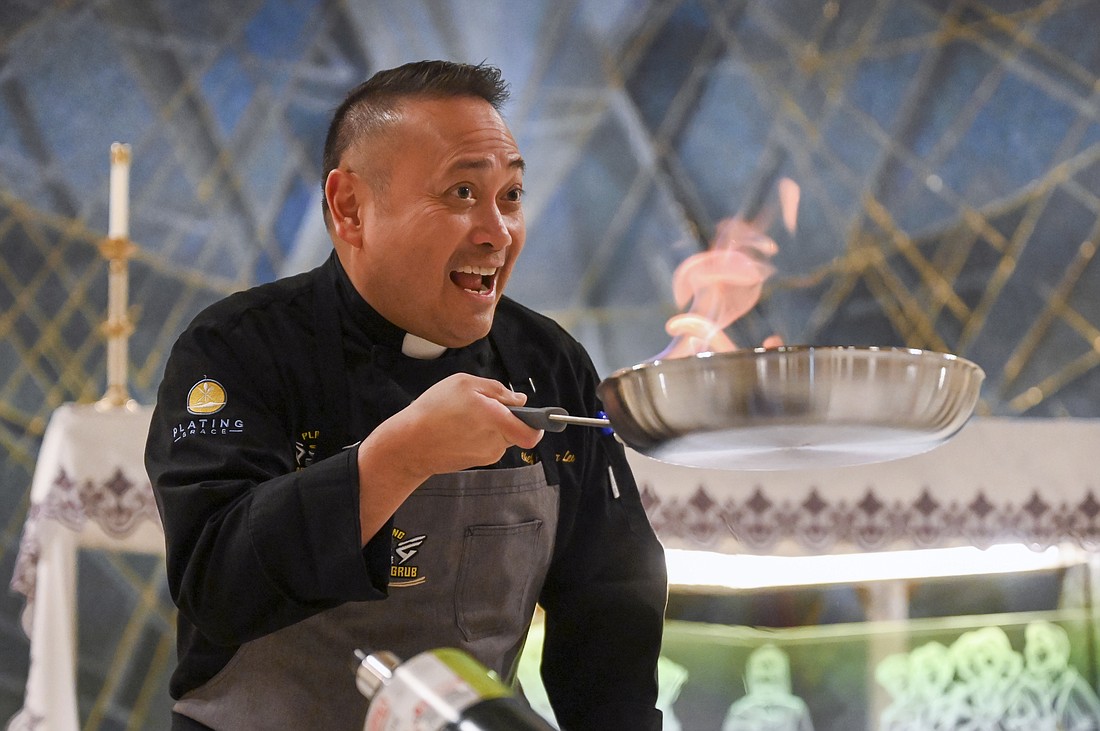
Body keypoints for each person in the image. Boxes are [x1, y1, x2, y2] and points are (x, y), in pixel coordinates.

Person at [145, 59, 668, 730]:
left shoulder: (548, 362)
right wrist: (399, 454)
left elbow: (609, 593)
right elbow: (216, 581)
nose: (497, 231)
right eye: (460, 194)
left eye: (509, 195)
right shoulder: (236, 350)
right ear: (349, 206)